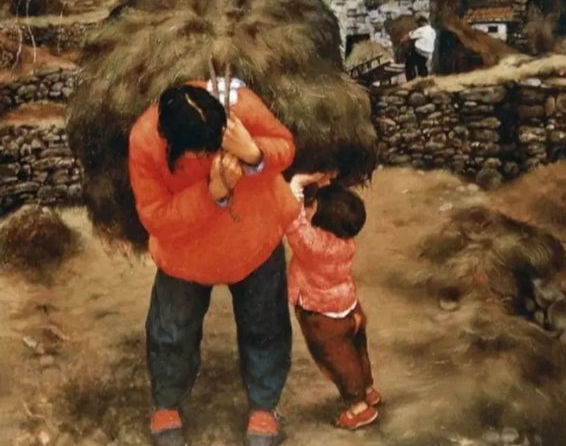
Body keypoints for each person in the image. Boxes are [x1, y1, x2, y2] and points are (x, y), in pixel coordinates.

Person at [127, 76, 300, 446]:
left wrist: (253, 152)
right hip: (186, 255)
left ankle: (264, 407)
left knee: (264, 323)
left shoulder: (235, 103)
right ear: (173, 147)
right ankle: (167, 403)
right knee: (171, 329)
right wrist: (212, 194)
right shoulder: (144, 141)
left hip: (255, 236)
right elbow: (156, 217)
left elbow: (285, 146)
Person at [284, 173, 382, 431]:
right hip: (349, 307)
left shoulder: (315, 246)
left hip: (323, 316)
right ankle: (367, 389)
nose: (310, 206)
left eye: (315, 204)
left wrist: (295, 186)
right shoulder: (344, 241)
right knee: (357, 350)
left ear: (324, 219)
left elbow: (295, 224)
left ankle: (358, 408)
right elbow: (317, 217)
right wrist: (324, 180)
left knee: (338, 361)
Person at [400, 13, 438, 79]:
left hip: (420, 51)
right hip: (429, 53)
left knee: (409, 62)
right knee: (422, 66)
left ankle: (411, 79)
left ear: (421, 23)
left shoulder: (420, 30)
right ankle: (424, 78)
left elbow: (408, 37)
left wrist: (401, 41)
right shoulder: (432, 31)